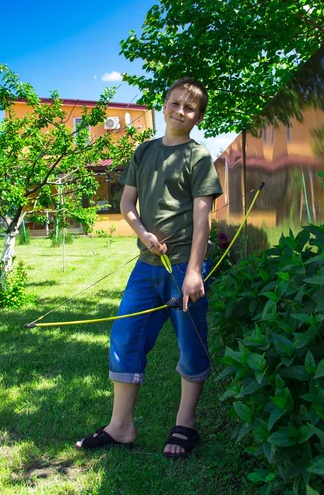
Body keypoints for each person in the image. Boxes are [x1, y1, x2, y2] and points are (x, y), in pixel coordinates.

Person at [76, 77, 222, 459]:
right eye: (175, 103)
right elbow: (126, 204)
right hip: (146, 266)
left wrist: (193, 271)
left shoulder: (198, 156)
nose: (180, 112)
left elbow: (203, 220)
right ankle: (120, 425)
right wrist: (142, 234)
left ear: (197, 116)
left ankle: (185, 424)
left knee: (190, 345)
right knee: (125, 337)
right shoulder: (143, 152)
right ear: (165, 105)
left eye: (189, 108)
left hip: (182, 267)